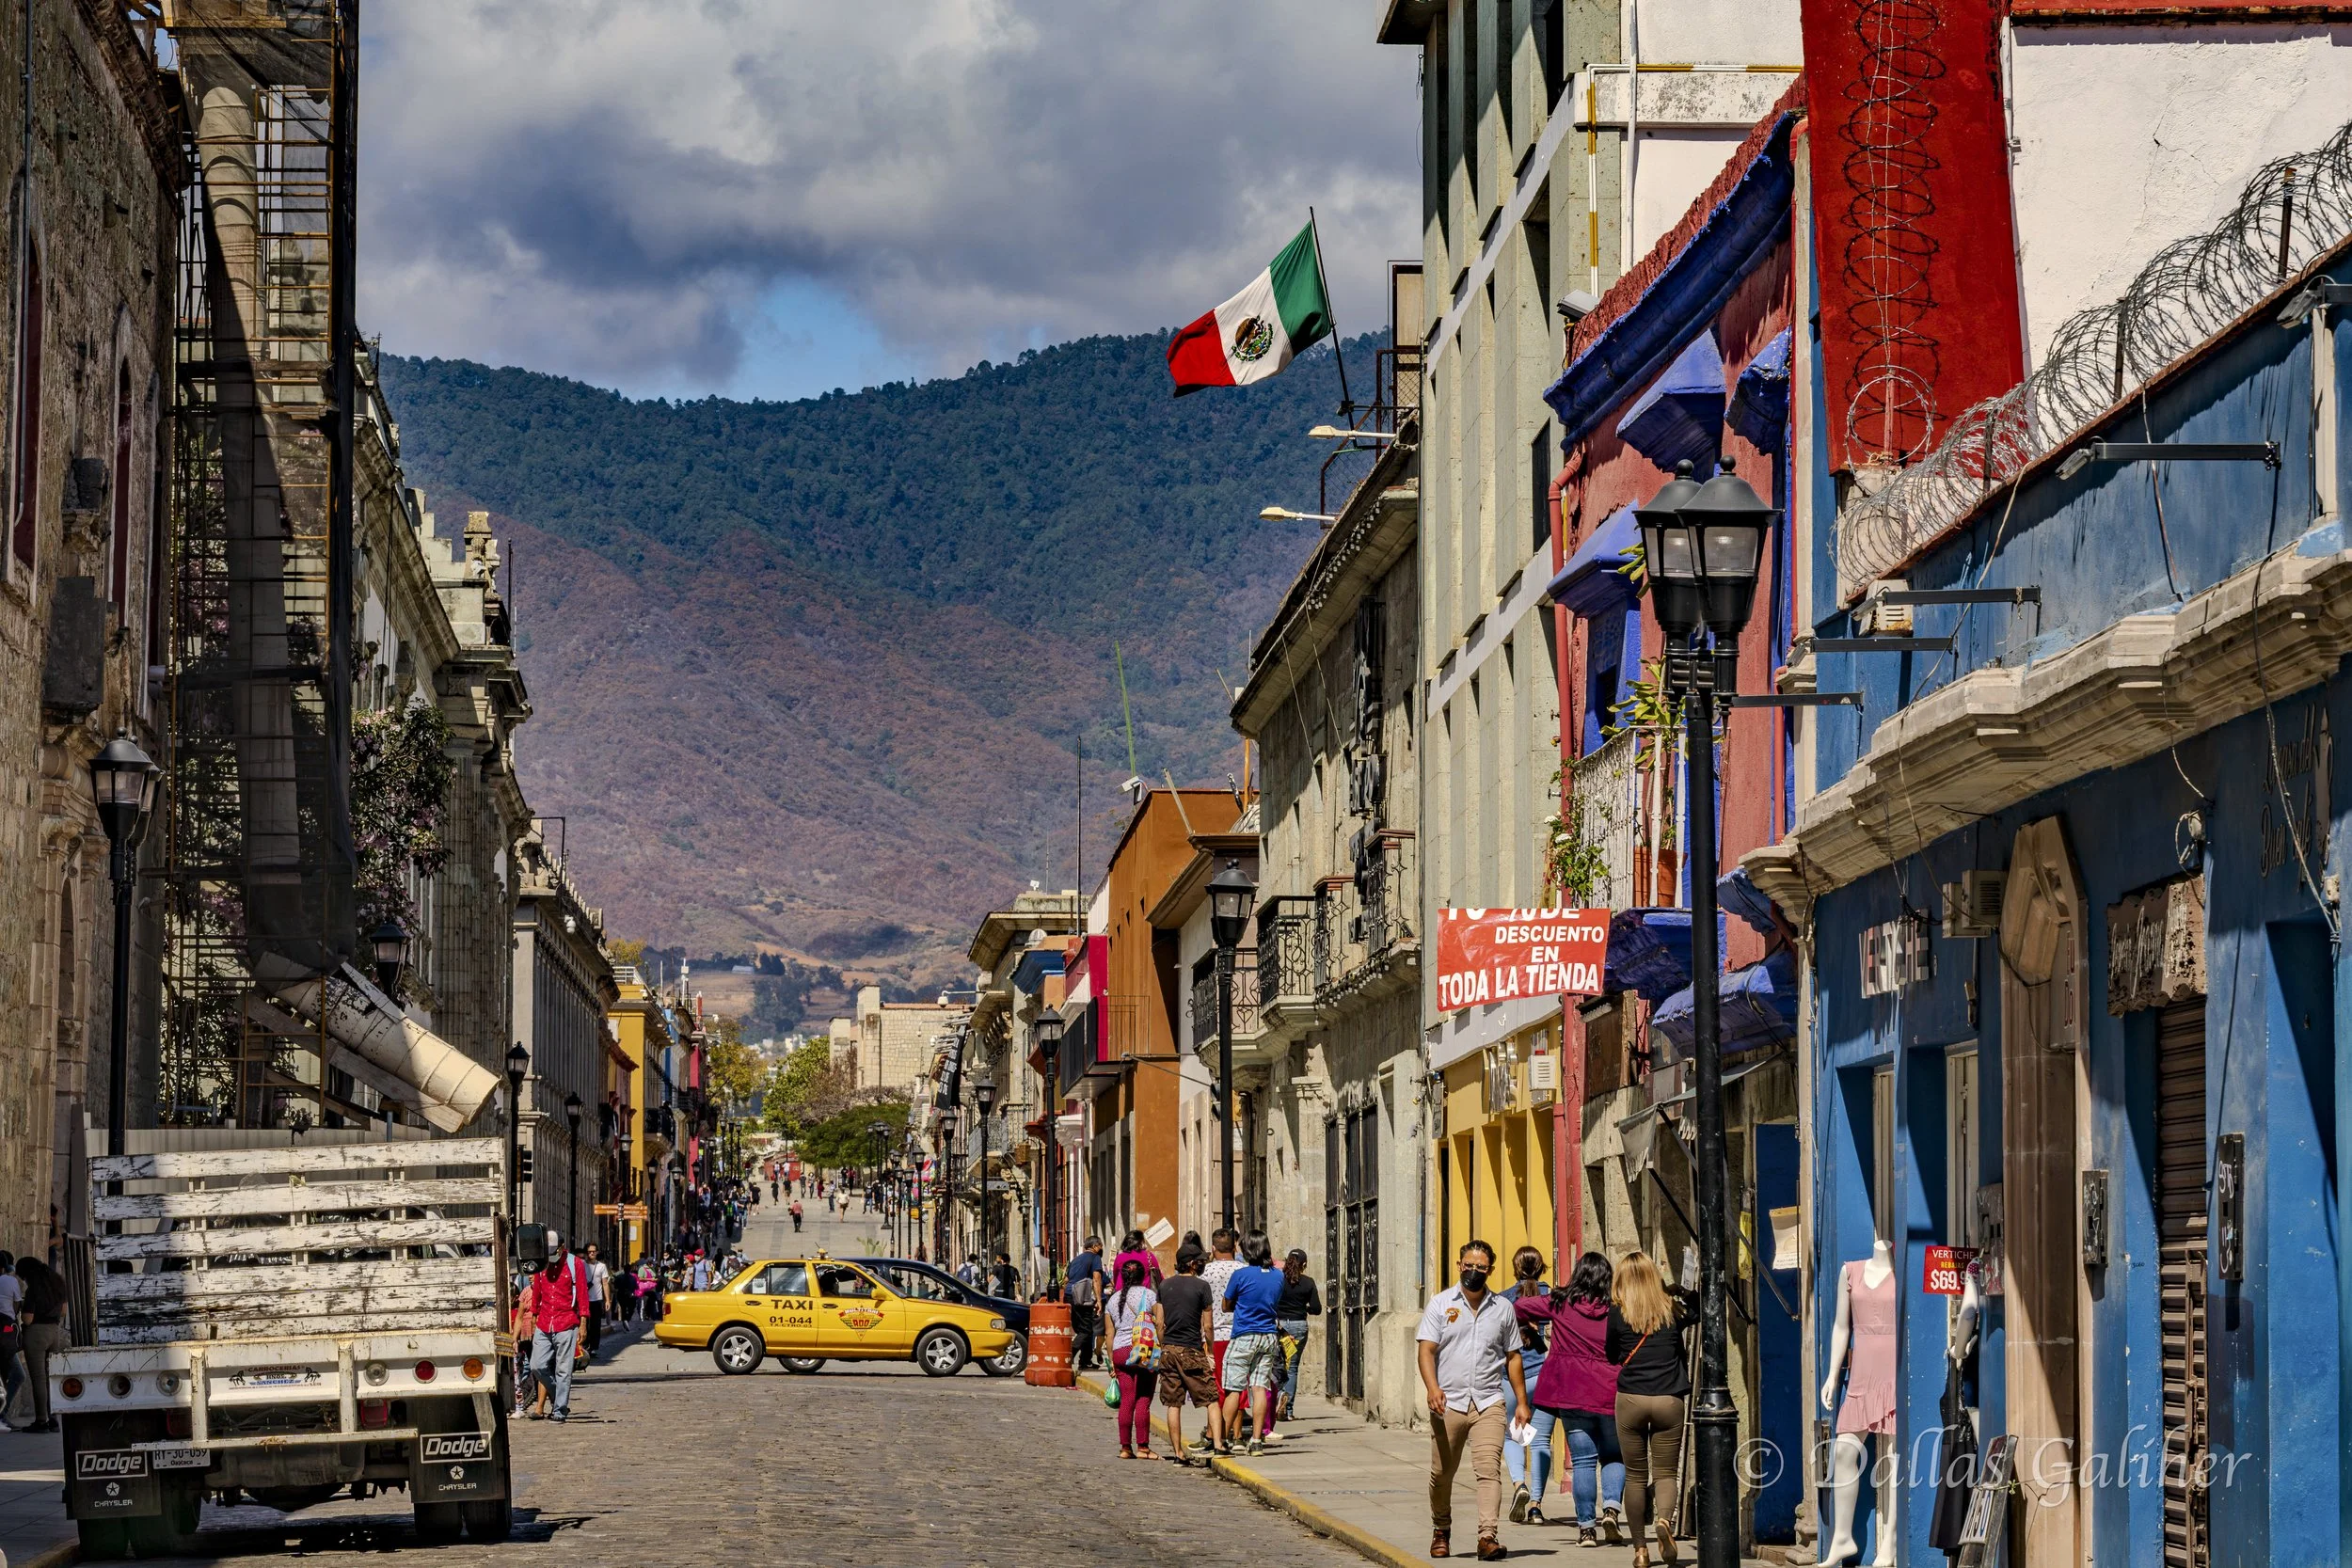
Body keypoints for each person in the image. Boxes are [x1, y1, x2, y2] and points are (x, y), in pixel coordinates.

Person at [1417, 1240, 1532, 1562]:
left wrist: (1521, 1402)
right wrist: (1432, 1387)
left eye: (1481, 1268)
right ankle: (1441, 1529)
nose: (1474, 1272)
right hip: (1448, 1402)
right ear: (1459, 1266)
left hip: (1488, 1401)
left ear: (1490, 1271)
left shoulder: (1503, 1309)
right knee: (1442, 1473)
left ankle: (1487, 1536)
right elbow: (1426, 1350)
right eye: (1469, 1265)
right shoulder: (1440, 1305)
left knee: (1488, 1470)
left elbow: (1513, 1357)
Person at [1516, 1252, 1628, 1546]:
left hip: (1572, 1391)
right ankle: (1612, 1510)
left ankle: (1587, 1529)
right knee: (1614, 1456)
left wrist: (1527, 1326)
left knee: (1582, 1461)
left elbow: (1519, 1307)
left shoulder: (1560, 1303)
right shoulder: (1617, 1307)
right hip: (1609, 1390)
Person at [1607, 1251, 1698, 1568]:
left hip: (1631, 1398)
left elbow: (1610, 1355)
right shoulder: (1671, 1309)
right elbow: (1699, 1310)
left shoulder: (1617, 1313)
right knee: (1665, 1473)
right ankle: (1664, 1522)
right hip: (1669, 1399)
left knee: (1634, 1476)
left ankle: (1640, 1550)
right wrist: (1679, 1291)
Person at [1500, 1247, 1556, 1526]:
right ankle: (1535, 1505)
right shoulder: (1555, 1298)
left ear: (1514, 1268)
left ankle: (1519, 1484)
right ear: (1543, 1266)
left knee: (1514, 1436)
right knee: (1541, 1440)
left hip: (1515, 1377)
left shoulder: (1504, 1299)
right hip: (1546, 1376)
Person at [1218, 1232, 1288, 1457]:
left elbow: (1225, 1305)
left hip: (1244, 1335)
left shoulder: (1241, 1275)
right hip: (1268, 1336)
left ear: (1247, 1251)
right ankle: (1257, 1440)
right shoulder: (1278, 1276)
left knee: (1233, 1389)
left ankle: (1221, 1440)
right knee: (1260, 1388)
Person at [1155, 1245, 1221, 1462]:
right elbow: (1208, 1326)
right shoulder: (1202, 1287)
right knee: (1211, 1399)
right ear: (1193, 1263)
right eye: (1200, 1261)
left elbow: (1159, 1322)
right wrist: (1209, 1351)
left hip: (1168, 1350)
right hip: (1191, 1350)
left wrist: (1165, 1345)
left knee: (1173, 1403)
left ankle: (1178, 1453)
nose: (1203, 1263)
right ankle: (1219, 1445)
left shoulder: (1164, 1286)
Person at [529, 1232, 594, 1422]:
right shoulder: (542, 1263)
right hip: (545, 1320)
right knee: (537, 1365)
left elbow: (582, 1293)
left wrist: (583, 1322)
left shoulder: (576, 1264)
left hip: (566, 1321)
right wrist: (534, 1313)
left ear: (561, 1246)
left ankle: (559, 1410)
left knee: (563, 1369)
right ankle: (559, 1397)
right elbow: (538, 1289)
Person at [1104, 1259, 1162, 1460]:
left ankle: (1125, 1447)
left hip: (1120, 1351)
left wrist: (1111, 1361)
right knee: (1143, 1399)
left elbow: (1109, 1335)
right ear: (1143, 1276)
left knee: (1127, 1400)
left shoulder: (1112, 1300)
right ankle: (1143, 1447)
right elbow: (1160, 1323)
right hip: (1143, 1350)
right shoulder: (1150, 1295)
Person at [1273, 1247, 1322, 1429]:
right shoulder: (1308, 1282)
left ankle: (1277, 1401)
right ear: (1304, 1265)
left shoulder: (1278, 1280)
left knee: (1277, 1365)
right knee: (1292, 1367)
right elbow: (1317, 1308)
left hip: (1280, 1326)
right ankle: (1289, 1409)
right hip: (1299, 1325)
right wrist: (1304, 1308)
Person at [1200, 1227, 1241, 1402]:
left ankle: (1216, 1427)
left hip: (1213, 1336)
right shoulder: (1243, 1270)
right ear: (1234, 1247)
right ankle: (1236, 1428)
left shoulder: (1204, 1273)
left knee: (1216, 1387)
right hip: (1239, 1334)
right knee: (1237, 1387)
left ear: (1213, 1248)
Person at [1066, 1237, 1105, 1371]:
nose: (1101, 1248)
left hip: (1069, 1294)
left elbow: (1066, 1279)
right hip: (1082, 1296)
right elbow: (1097, 1278)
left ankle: (1085, 1361)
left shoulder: (1076, 1259)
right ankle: (1070, 1354)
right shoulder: (1095, 1258)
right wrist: (1099, 1300)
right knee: (1086, 1329)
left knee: (1081, 1328)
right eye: (1100, 1245)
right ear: (1094, 1246)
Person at [509, 1281, 539, 1416]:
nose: (532, 1276)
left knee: (537, 1368)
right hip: (525, 1338)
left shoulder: (545, 1289)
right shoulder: (526, 1292)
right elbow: (520, 1318)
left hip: (541, 1335)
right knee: (529, 1368)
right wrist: (515, 1338)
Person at [0, 1249, 23, 1429]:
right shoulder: (10, 1281)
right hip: (5, 1332)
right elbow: (17, 1305)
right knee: (17, 1374)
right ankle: (2, 1413)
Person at [582, 1243, 612, 1357]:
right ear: (586, 1253)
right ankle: (584, 1346)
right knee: (585, 1324)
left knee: (595, 1325)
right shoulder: (581, 1265)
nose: (592, 1253)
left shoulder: (601, 1266)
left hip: (597, 1299)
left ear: (597, 1252)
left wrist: (607, 1300)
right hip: (584, 1299)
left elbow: (605, 1283)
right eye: (590, 1252)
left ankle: (594, 1347)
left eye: (594, 1251)